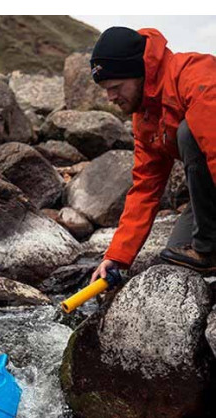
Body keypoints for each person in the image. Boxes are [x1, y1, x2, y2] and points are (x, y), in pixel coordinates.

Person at [89, 26, 216, 283]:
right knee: (175, 262)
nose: (110, 97)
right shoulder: (145, 114)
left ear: (139, 73)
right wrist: (116, 257)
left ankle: (208, 250)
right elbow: (146, 188)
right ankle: (207, 250)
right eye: (105, 88)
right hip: (208, 190)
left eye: (115, 86)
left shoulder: (194, 76)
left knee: (187, 134)